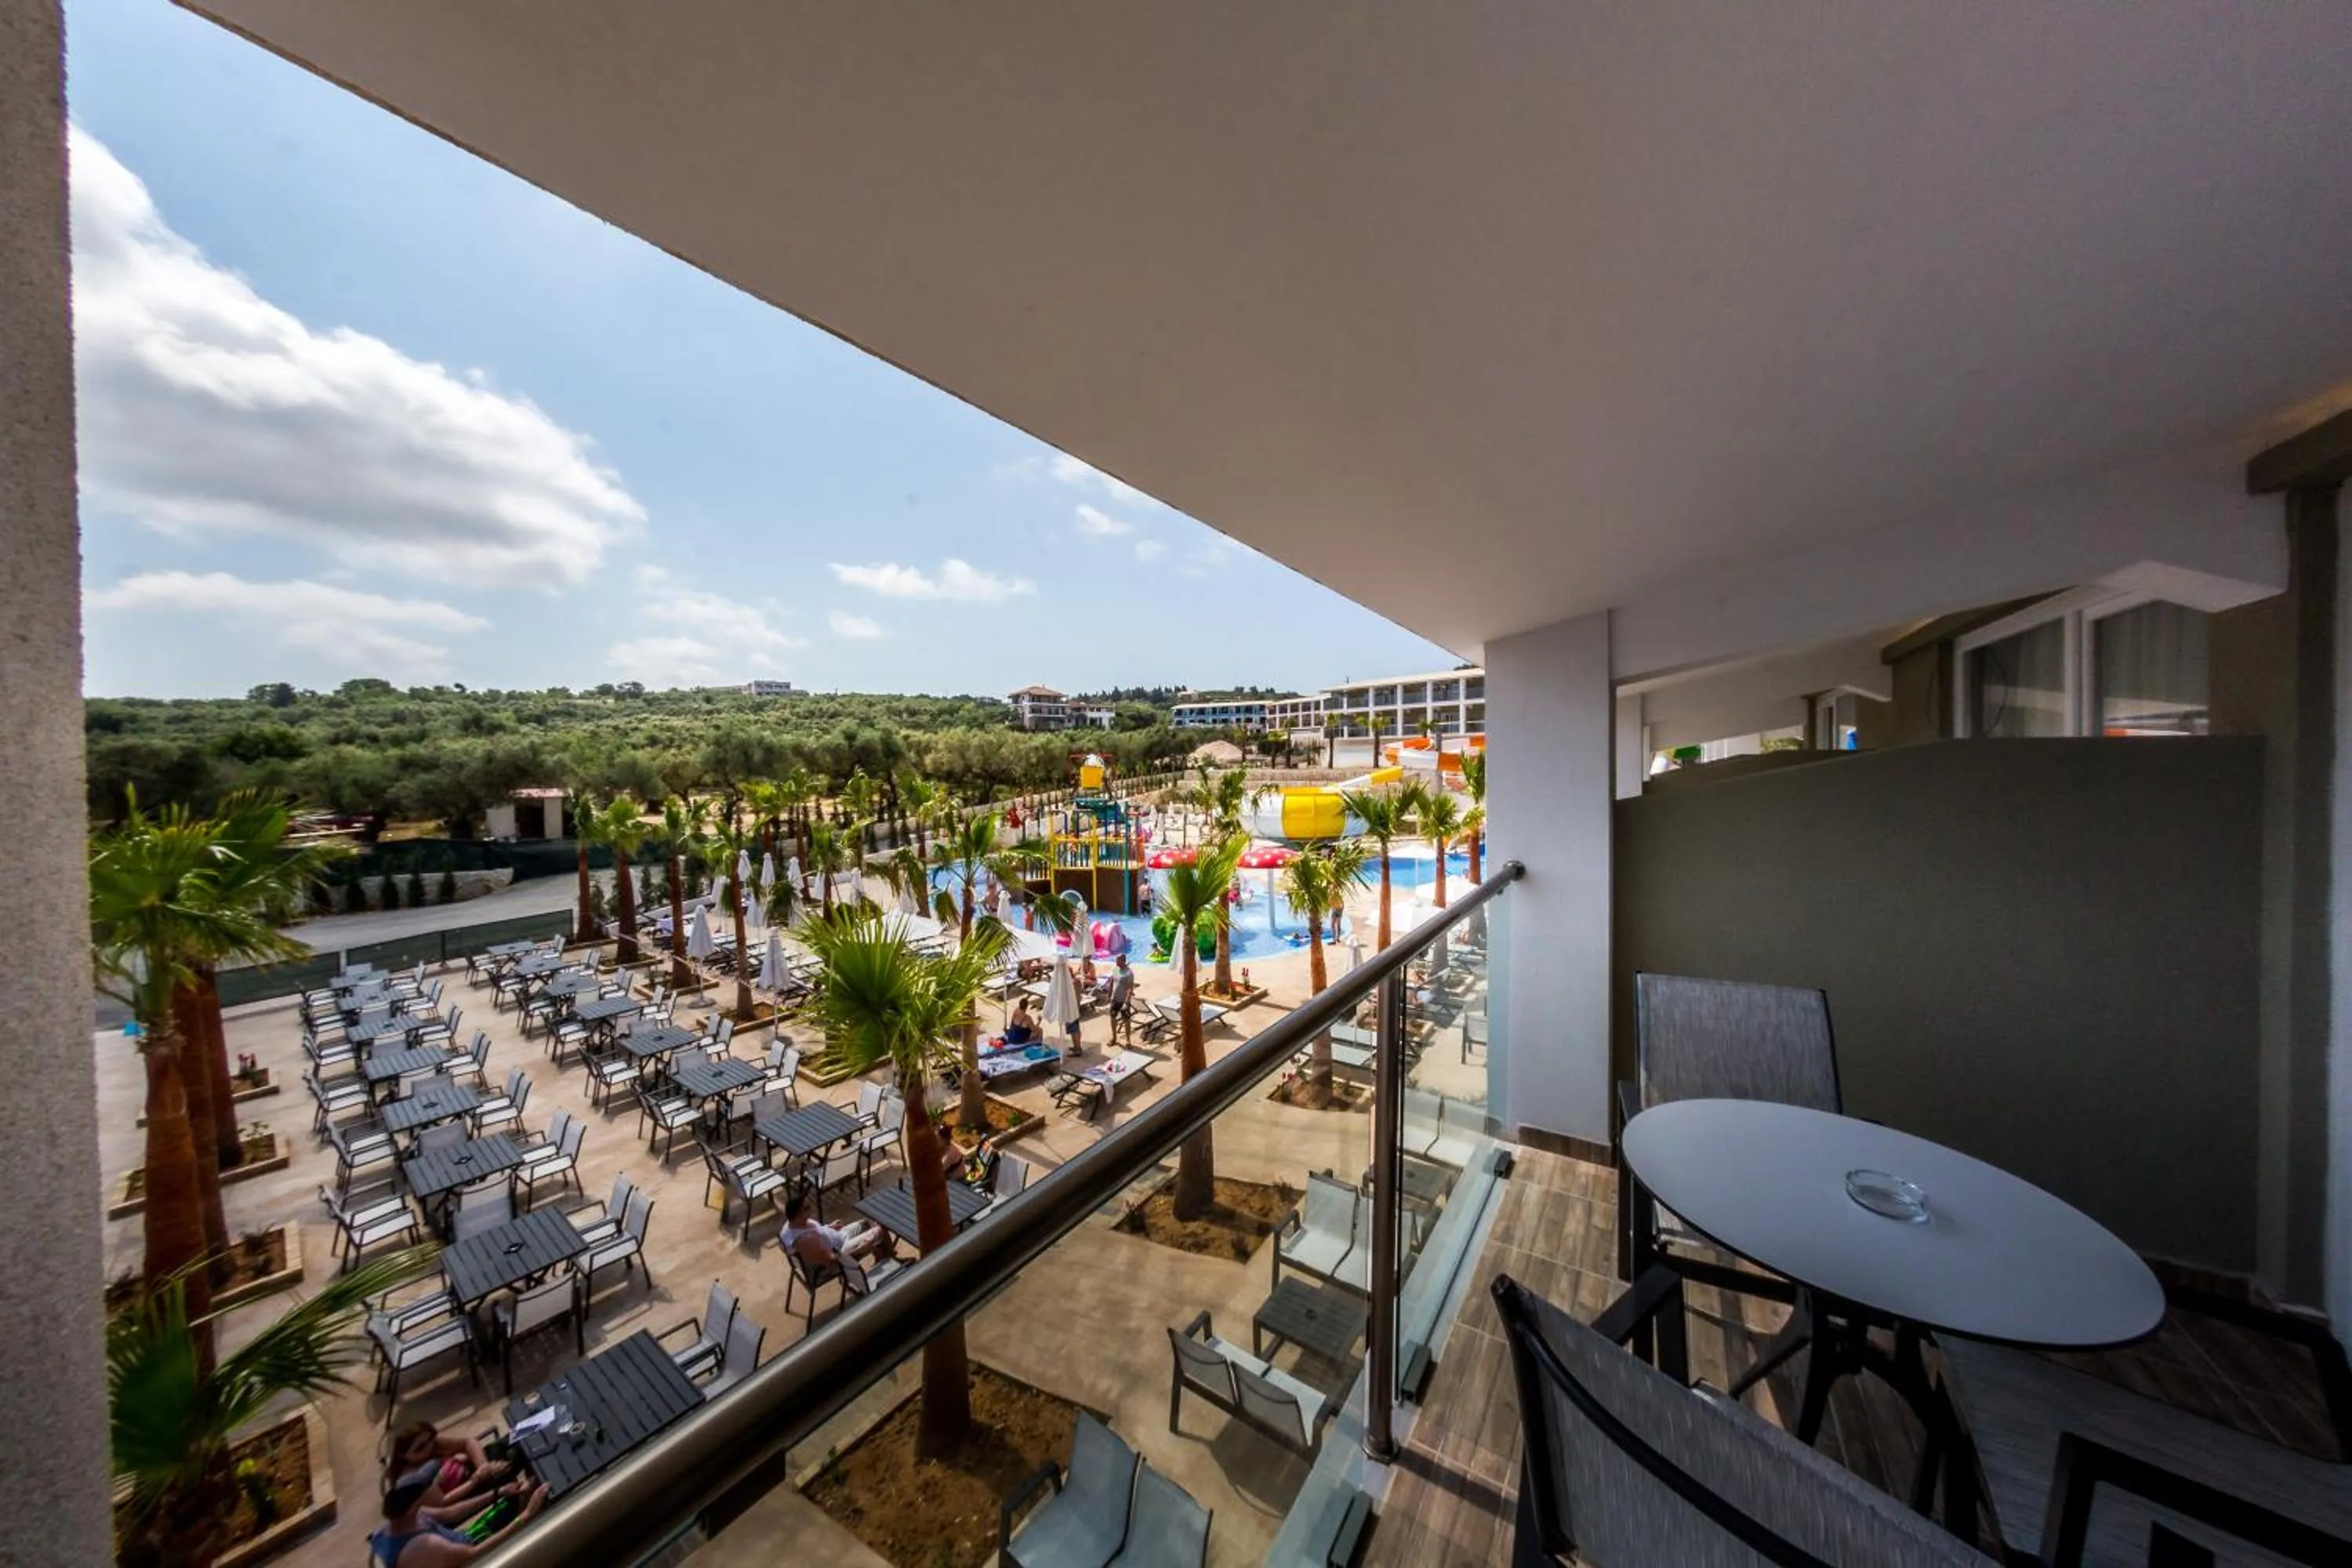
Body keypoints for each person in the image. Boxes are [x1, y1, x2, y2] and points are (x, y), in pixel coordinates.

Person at [370, 1469, 546, 1565]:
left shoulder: (407, 1519)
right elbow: (475, 1554)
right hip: (478, 1557)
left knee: (515, 1496)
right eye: (427, 1489)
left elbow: (452, 1513)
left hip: (467, 1539)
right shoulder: (423, 1546)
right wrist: (526, 1516)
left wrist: (498, 1493)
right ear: (412, 1504)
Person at [384, 1422, 509, 1512]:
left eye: (430, 1439)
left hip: (474, 1470)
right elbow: (442, 1502)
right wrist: (476, 1480)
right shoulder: (414, 1478)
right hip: (465, 1493)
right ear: (403, 1455)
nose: (428, 1447)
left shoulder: (432, 1444)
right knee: (511, 1462)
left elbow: (467, 1443)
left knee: (507, 1443)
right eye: (420, 1448)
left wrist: (484, 1467)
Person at [781, 1188, 885, 1272]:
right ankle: (886, 1260)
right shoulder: (806, 1241)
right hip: (842, 1250)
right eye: (807, 1208)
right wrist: (860, 1247)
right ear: (797, 1216)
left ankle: (884, 1257)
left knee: (870, 1221)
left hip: (840, 1235)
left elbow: (818, 1232)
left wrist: (829, 1227)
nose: (811, 1208)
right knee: (880, 1230)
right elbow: (831, 1261)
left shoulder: (792, 1224)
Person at [1107, 953, 1136, 1040]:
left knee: (1126, 1020)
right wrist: (1109, 995)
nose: (1116, 962)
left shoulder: (1129, 973)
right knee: (1113, 1018)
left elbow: (1130, 988)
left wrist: (1127, 1002)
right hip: (1115, 999)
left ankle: (1128, 1040)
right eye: (1116, 960)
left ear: (1123, 961)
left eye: (1118, 960)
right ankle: (1114, 1038)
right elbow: (1112, 982)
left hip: (1124, 1001)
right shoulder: (1115, 969)